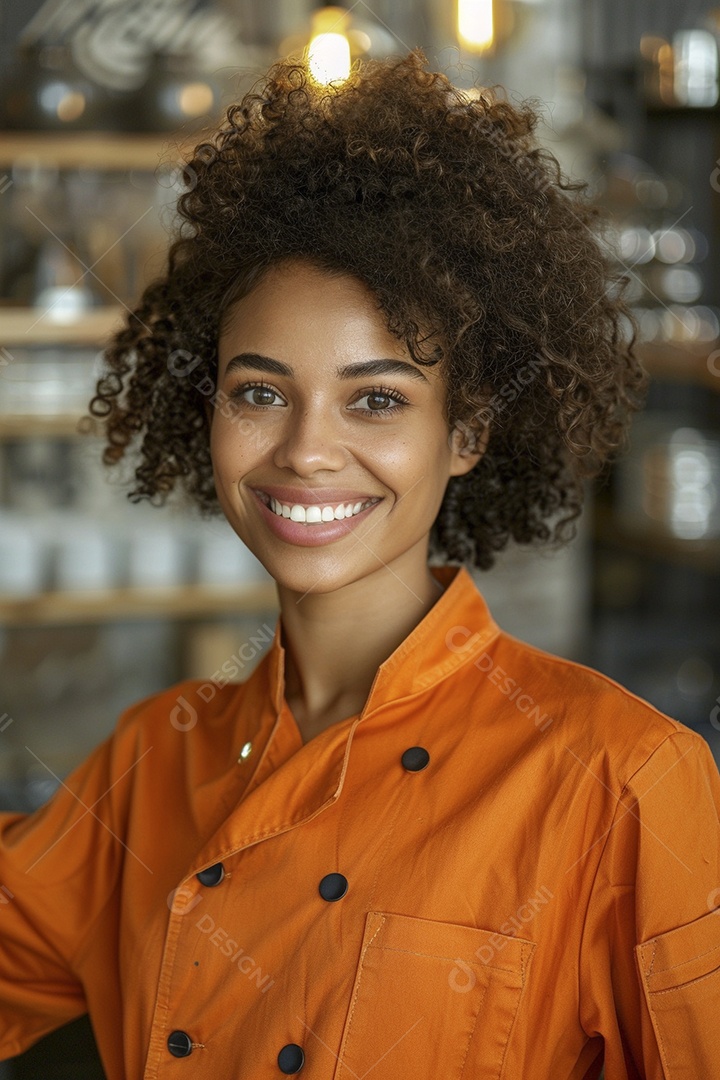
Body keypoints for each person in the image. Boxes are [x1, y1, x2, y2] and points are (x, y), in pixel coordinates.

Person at [1, 46, 719, 1080]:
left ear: (466, 432)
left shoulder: (622, 781)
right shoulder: (156, 758)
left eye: (375, 399)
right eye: (258, 392)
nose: (304, 450)